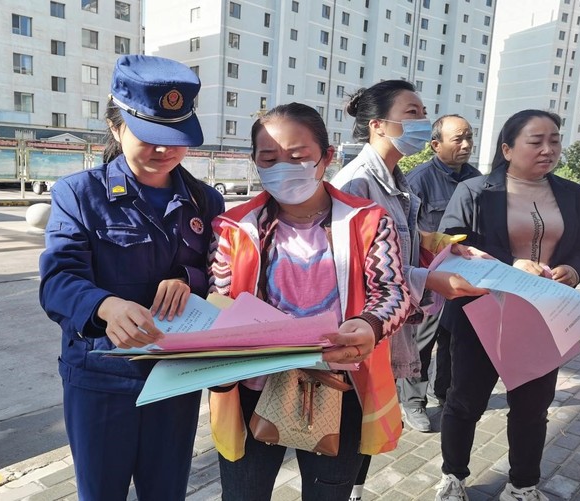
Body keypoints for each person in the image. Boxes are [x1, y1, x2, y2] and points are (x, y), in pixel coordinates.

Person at [38, 54, 225, 500]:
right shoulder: (78, 195)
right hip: (101, 377)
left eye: (176, 138)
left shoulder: (206, 202)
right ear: (116, 125)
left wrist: (189, 279)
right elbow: (58, 279)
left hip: (175, 377)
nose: (165, 151)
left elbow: (224, 278)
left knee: (166, 492)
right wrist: (105, 305)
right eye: (150, 137)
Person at [207, 102, 412, 501]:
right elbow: (220, 298)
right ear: (255, 162)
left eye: (298, 156)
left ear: (327, 157)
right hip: (254, 387)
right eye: (269, 158)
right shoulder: (235, 227)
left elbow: (392, 291)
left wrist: (369, 326)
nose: (283, 166)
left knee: (328, 493)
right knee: (244, 492)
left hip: (338, 384)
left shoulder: (367, 220)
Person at [329, 80, 488, 501]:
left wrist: (442, 245)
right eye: (413, 112)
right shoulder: (358, 182)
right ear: (380, 125)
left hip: (383, 325)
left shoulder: (392, 178)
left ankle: (354, 490)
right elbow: (356, 272)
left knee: (366, 424)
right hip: (362, 327)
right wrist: (430, 280)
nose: (422, 121)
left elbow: (398, 238)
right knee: (352, 425)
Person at [434, 109, 580, 501]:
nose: (548, 149)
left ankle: (523, 484)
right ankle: (453, 475)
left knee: (532, 408)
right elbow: (449, 249)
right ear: (507, 148)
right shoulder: (474, 191)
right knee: (465, 402)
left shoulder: (571, 193)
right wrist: (508, 265)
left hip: (543, 317)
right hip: (482, 314)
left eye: (554, 140)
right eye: (535, 141)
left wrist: (572, 271)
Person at [397, 115, 482, 424]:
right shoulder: (418, 180)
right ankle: (413, 401)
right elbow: (408, 231)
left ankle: (442, 390)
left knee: (453, 339)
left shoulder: (477, 178)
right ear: (435, 145)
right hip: (429, 276)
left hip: (465, 274)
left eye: (469, 137)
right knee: (422, 340)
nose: (466, 144)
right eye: (458, 139)